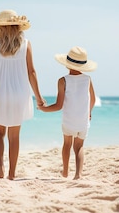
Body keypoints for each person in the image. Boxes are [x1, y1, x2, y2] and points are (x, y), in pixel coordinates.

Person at [0, 9, 46, 180]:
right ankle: (12, 173)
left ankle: (1, 170)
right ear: (18, 27)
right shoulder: (26, 44)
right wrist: (38, 97)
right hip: (20, 94)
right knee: (14, 136)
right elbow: (32, 72)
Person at [38, 46, 97, 180]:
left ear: (67, 64)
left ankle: (65, 172)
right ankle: (78, 174)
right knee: (79, 147)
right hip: (83, 121)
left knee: (67, 144)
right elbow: (92, 99)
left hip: (69, 121)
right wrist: (89, 112)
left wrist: (44, 108)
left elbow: (58, 106)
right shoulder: (87, 79)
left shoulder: (63, 80)